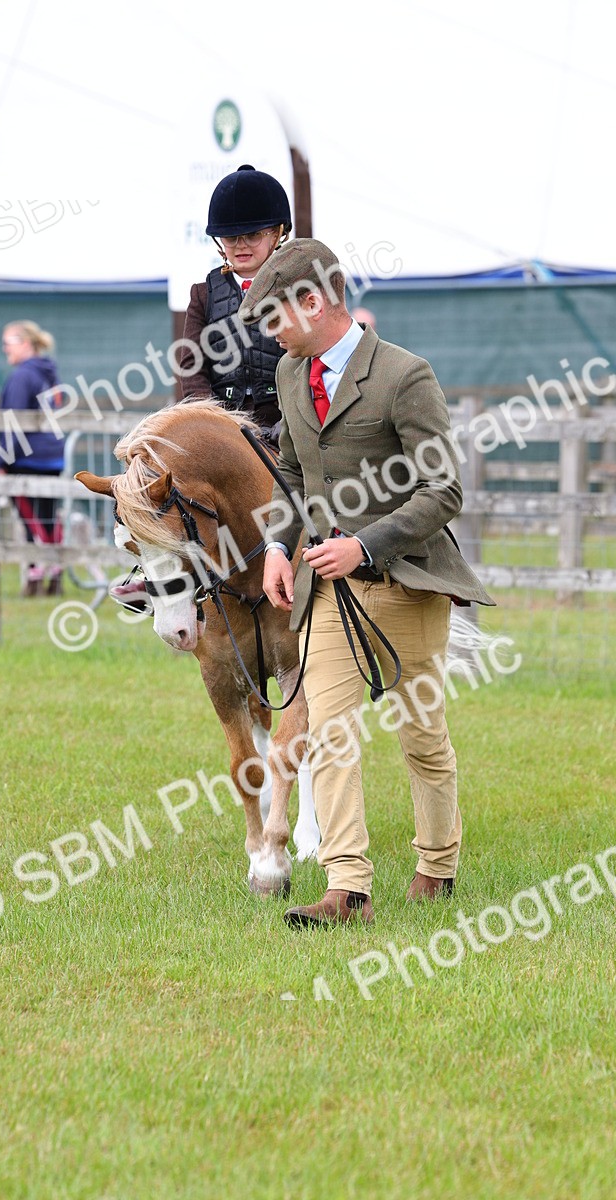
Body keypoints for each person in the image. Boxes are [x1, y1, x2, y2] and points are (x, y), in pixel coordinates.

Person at [238, 239, 494, 928]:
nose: (271, 333)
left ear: (314, 302)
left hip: (407, 583)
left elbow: (444, 490)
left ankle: (437, 864)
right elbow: (290, 473)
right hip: (327, 593)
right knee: (327, 734)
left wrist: (364, 545)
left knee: (422, 736)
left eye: (274, 317)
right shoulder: (293, 377)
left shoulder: (406, 376)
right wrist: (275, 547)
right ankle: (347, 887)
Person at [179, 164, 292, 440]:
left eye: (253, 235)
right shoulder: (202, 294)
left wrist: (290, 422)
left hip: (283, 422)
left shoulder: (295, 288)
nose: (241, 245)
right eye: (231, 237)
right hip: (225, 425)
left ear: (277, 234)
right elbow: (192, 366)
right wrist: (214, 421)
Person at [0, 320, 65, 596]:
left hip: (27, 457)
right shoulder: (50, 373)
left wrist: (2, 461)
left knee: (30, 518)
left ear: (25, 344)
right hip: (53, 456)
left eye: (8, 343)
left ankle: (38, 571)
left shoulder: (22, 376)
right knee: (48, 515)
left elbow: (13, 421)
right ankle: (56, 568)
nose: (4, 350)